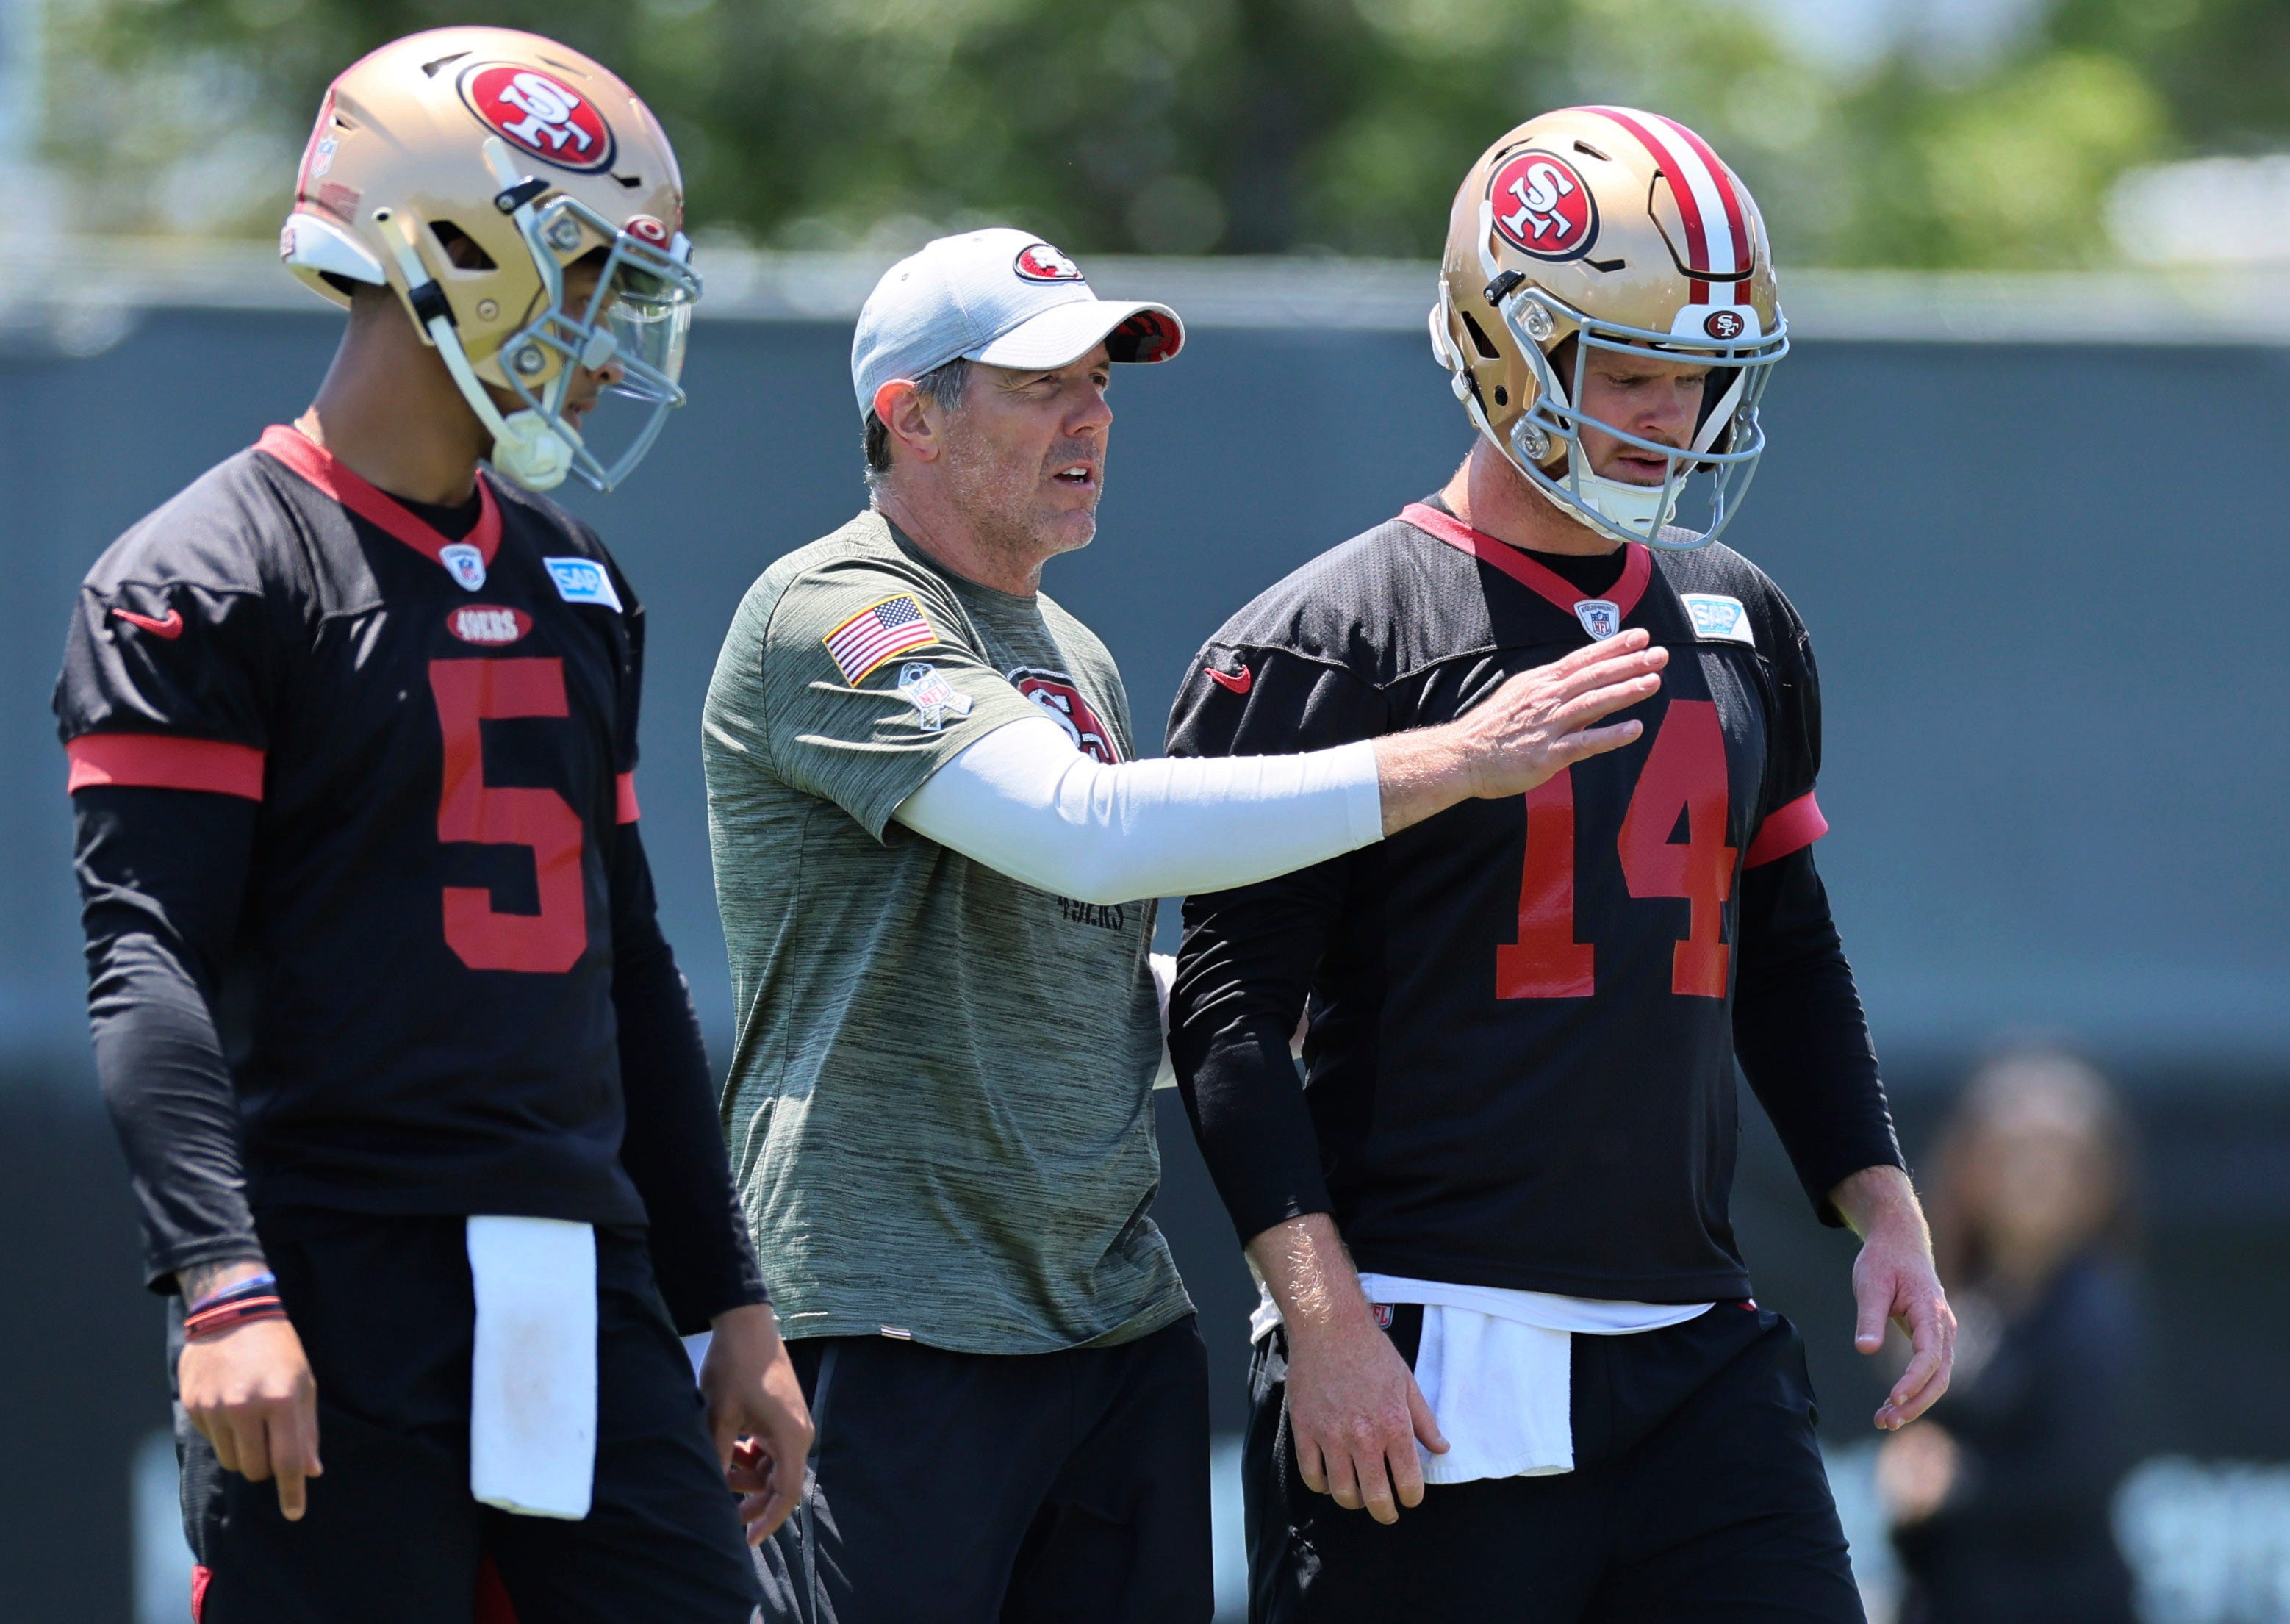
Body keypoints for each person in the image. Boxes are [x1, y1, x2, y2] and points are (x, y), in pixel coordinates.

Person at [700, 226, 1669, 1623]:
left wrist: (1326, 1021)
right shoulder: (832, 609)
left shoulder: (1067, 649)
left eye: (1101, 379)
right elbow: (1082, 834)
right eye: (1041, 383)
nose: (1092, 413)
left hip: (1112, 1327)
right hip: (897, 1311)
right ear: (907, 414)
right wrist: (1451, 760)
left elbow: (1077, 975)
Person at [1165, 106, 1957, 1623]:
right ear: (1498, 342)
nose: (1673, 416)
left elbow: (1780, 943)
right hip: (1431, 1338)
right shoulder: (1330, 638)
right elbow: (1227, 1012)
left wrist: (1882, 1206)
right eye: (1634, 371)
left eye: (1702, 378)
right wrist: (1319, 1319)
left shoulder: (1737, 618)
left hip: (1693, 1343)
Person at [54, 28, 808, 1623]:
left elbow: (626, 966)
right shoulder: (204, 573)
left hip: (577, 1271)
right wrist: (219, 1281)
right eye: (589, 276)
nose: (614, 340)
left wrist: (724, 1296)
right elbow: (150, 967)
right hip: (338, 1268)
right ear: (452, 253)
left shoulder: (576, 575)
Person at [1879, 1050, 2144, 1624]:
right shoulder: (1957, 1300)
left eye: (2060, 1157)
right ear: (1967, 1168)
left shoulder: (2093, 1310)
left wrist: (1956, 1485)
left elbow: (2076, 1476)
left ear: (2100, 1180)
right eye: (2014, 1154)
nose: (2036, 1176)